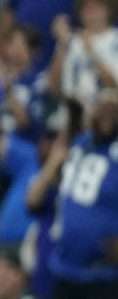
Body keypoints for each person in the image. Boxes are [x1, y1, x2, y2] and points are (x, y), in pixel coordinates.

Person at [48, 90, 118, 299]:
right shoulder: (82, 143)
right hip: (66, 268)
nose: (107, 117)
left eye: (114, 112)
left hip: (104, 275)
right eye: (102, 110)